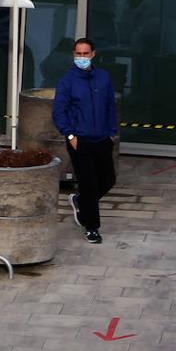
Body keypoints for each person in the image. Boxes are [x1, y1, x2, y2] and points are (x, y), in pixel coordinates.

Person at [53, 37, 118, 244]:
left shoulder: (104, 78)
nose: (81, 57)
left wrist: (111, 132)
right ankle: (92, 227)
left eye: (85, 54)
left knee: (108, 180)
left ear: (93, 54)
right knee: (89, 183)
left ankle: (80, 201)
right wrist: (70, 135)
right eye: (78, 54)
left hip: (102, 138)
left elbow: (111, 106)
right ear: (74, 55)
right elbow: (59, 111)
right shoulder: (67, 81)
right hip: (79, 140)